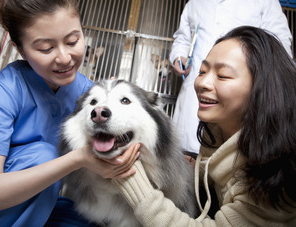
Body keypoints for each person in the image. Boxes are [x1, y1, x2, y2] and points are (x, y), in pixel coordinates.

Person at [0, 0, 139, 226]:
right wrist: (78, 158)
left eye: (73, 41)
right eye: (46, 48)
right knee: (45, 154)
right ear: (19, 48)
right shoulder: (4, 90)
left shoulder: (87, 92)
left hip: (41, 195)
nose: (64, 58)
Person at [112, 26, 296, 226]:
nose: (202, 83)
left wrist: (129, 176)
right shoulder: (217, 133)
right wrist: (199, 171)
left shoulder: (277, 170)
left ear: (263, 88)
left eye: (223, 75)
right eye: (202, 71)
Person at [170, 0, 293, 156]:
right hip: (192, 102)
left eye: (223, 74)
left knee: (235, 156)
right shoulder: (195, 3)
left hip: (242, 110)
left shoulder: (265, 2)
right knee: (189, 156)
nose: (206, 82)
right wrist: (179, 57)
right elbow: (183, 38)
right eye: (203, 72)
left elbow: (279, 46)